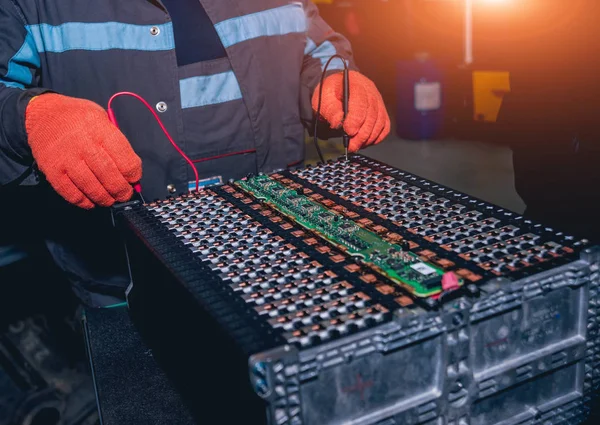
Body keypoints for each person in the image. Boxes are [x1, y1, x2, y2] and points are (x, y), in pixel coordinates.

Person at [0, 0, 390, 306]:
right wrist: (31, 117)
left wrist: (334, 78)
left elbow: (313, 46)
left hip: (277, 250)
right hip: (123, 275)